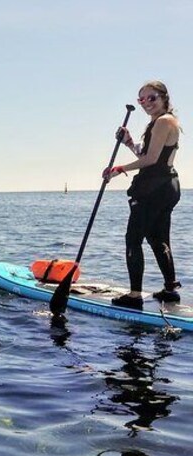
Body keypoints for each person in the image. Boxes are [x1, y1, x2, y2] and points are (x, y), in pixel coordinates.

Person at [104, 81, 181, 309]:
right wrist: (128, 142)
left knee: (133, 239)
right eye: (142, 99)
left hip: (154, 188)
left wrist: (118, 169)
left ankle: (135, 295)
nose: (146, 103)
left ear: (164, 97)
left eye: (151, 98)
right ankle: (170, 289)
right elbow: (146, 153)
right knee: (158, 239)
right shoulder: (160, 123)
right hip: (166, 186)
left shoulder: (164, 121)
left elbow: (150, 160)